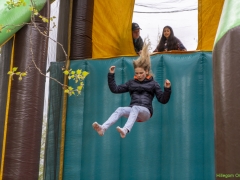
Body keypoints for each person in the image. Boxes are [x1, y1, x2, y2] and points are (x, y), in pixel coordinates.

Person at [92, 41, 171, 138]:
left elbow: (163, 100)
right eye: (136, 73)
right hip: (134, 111)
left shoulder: (153, 84)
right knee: (120, 109)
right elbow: (115, 89)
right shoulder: (131, 83)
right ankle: (103, 128)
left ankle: (125, 130)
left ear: (146, 71)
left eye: (141, 73)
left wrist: (167, 88)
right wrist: (111, 75)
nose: (138, 75)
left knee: (135, 107)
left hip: (146, 112)